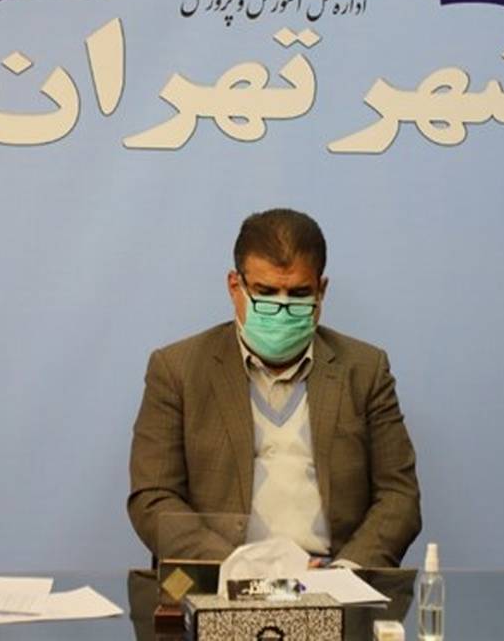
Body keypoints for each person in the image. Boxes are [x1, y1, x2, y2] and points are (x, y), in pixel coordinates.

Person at [127, 208, 421, 568]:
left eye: (298, 294)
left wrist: (344, 572)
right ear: (235, 286)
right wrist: (243, 567)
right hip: (223, 577)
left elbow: (399, 496)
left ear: (321, 291)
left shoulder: (364, 369)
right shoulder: (177, 370)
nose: (282, 308)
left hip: (334, 576)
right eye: (265, 293)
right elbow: (153, 498)